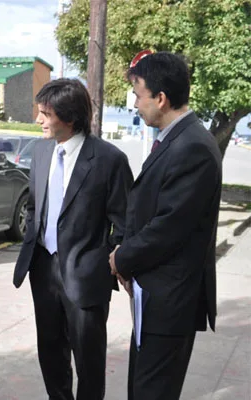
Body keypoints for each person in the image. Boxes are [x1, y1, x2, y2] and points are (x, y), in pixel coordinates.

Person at [109, 52, 222, 400]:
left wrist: (121, 258)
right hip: (155, 296)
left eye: (139, 95)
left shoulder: (193, 147)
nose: (135, 105)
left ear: (161, 98)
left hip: (171, 300)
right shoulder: (176, 139)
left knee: (152, 391)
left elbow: (168, 227)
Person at [13, 78, 133, 400]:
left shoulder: (109, 160)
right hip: (42, 268)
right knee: (50, 352)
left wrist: (104, 259)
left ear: (70, 117)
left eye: (45, 114)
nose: (38, 120)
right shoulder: (40, 152)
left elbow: (124, 222)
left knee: (89, 360)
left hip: (86, 276)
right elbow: (36, 206)